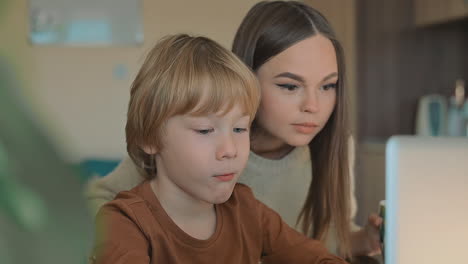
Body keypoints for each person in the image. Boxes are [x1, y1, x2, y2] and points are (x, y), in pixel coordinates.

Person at [86, 1, 381, 259]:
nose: (314, 106)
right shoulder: (182, 160)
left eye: (328, 85)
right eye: (290, 86)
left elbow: (323, 241)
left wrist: (363, 239)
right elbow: (100, 208)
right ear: (245, 79)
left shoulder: (331, 147)